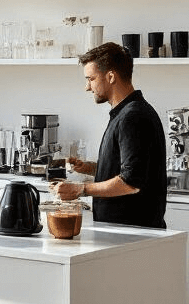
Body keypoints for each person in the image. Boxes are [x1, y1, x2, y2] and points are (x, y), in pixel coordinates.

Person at [53, 42, 167, 228]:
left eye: (91, 79)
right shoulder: (127, 112)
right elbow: (130, 168)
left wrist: (80, 189)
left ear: (111, 76)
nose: (87, 87)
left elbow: (131, 182)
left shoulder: (133, 116)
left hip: (133, 233)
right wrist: (90, 168)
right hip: (126, 231)